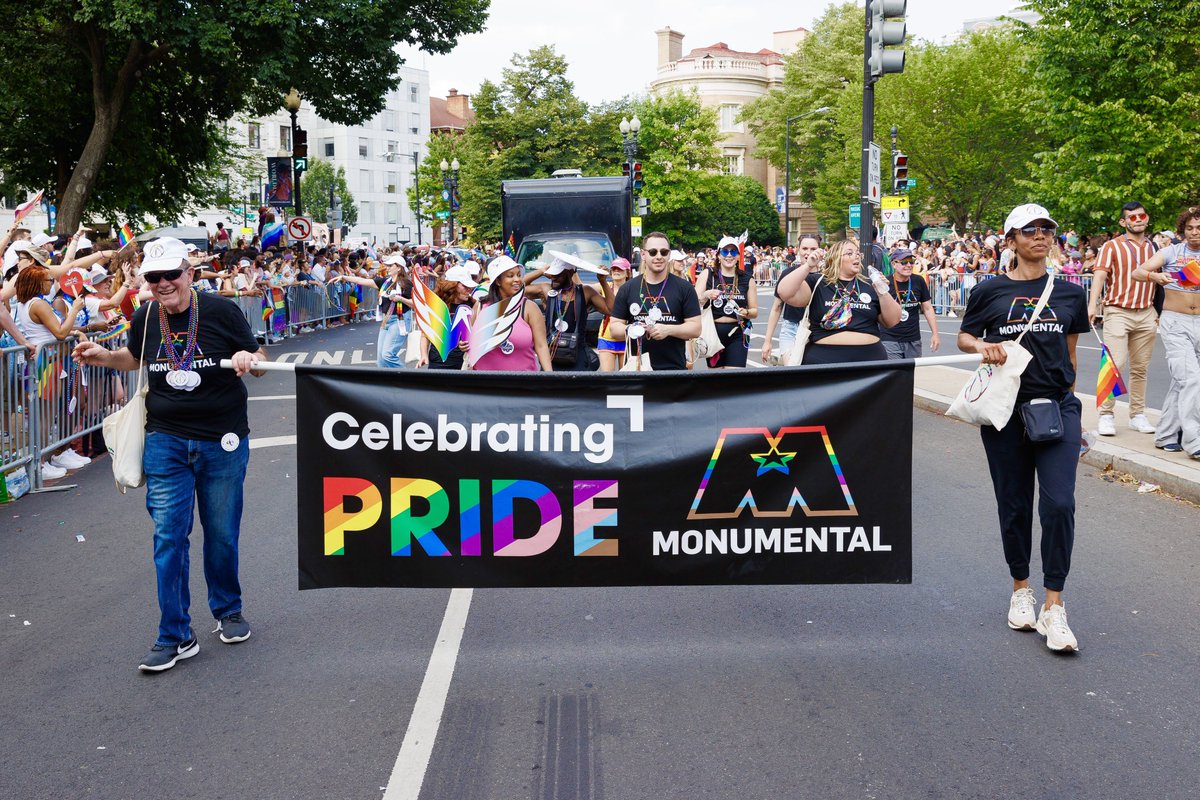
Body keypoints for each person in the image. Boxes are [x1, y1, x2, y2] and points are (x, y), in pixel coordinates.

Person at [72, 237, 268, 673]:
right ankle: (175, 634)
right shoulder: (145, 317)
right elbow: (136, 358)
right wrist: (104, 355)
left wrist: (246, 357)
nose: (162, 284)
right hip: (165, 439)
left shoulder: (220, 311)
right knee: (168, 538)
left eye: (170, 275)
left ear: (189, 274)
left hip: (222, 439)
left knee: (220, 533)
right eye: (153, 277)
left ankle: (228, 610)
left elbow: (258, 356)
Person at [957, 204, 1089, 653]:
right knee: (1014, 505)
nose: (1040, 235)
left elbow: (1070, 356)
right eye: (1029, 229)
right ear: (1010, 239)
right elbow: (965, 336)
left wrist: (1072, 408)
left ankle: (1055, 606)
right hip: (1005, 412)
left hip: (1056, 410)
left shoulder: (1071, 292)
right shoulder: (989, 289)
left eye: (1047, 229)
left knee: (1059, 504)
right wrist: (983, 345)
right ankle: (1021, 589)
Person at [1132, 206, 1200, 459]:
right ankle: (1194, 441)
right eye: (1189, 228)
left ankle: (1166, 434)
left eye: (1199, 228)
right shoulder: (1171, 251)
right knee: (1192, 380)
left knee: (1182, 382)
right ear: (1182, 230)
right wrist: (1155, 276)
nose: (1194, 233)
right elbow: (1137, 273)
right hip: (1176, 323)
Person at [1088, 202, 1159, 437]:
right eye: (1132, 217)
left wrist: (1159, 312)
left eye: (1142, 215)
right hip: (1118, 311)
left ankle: (1137, 414)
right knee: (1114, 364)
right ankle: (1106, 415)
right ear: (1124, 222)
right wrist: (1092, 304)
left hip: (1146, 312)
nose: (1138, 219)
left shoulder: (1155, 247)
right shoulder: (1111, 246)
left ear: (1146, 219)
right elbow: (1099, 276)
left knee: (1140, 368)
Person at [775, 239, 901, 365]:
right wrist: (808, 266)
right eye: (849, 253)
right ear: (835, 258)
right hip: (824, 360)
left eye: (858, 254)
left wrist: (883, 291)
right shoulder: (818, 282)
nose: (856, 256)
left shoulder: (869, 284)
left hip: (870, 359)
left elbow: (893, 320)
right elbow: (784, 292)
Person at [607, 233, 701, 370]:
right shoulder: (628, 288)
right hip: (636, 369)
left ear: (669, 255)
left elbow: (696, 328)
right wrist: (633, 329)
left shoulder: (684, 288)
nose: (659, 256)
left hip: (673, 370)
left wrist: (668, 329)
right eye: (653, 252)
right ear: (644, 255)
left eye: (664, 252)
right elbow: (614, 328)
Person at [522, 252, 614, 371]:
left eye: (558, 275)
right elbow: (518, 288)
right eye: (552, 275)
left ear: (570, 273)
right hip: (552, 355)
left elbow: (611, 310)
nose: (553, 278)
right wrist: (541, 271)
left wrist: (603, 281)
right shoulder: (546, 290)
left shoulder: (585, 292)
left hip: (577, 355)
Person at [470, 256, 552, 371]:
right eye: (510, 276)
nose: (517, 279)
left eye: (519, 275)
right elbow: (470, 341)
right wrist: (464, 344)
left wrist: (550, 376)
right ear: (498, 281)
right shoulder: (480, 307)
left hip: (523, 384)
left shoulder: (529, 308)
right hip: (486, 383)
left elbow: (541, 345)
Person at [696, 235, 757, 368]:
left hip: (738, 332)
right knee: (716, 380)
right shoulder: (709, 274)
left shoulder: (747, 278)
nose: (729, 255)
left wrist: (746, 312)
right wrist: (706, 294)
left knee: (735, 379)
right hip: (713, 332)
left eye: (733, 252)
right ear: (718, 255)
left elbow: (755, 311)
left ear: (738, 256)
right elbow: (693, 303)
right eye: (725, 251)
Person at [762, 235, 821, 365]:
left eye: (813, 248)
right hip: (791, 329)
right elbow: (776, 307)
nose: (808, 252)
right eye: (805, 248)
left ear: (820, 250)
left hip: (818, 330)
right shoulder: (788, 273)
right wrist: (767, 341)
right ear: (798, 250)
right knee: (793, 368)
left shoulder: (826, 276)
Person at [880, 248, 939, 359]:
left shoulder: (918, 281)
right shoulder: (885, 283)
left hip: (913, 338)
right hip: (890, 338)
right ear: (894, 264)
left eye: (911, 262)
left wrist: (935, 334)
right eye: (903, 262)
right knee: (895, 372)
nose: (908, 265)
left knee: (909, 374)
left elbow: (927, 308)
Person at [416, 265, 477, 370]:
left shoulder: (473, 305)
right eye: (465, 286)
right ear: (452, 285)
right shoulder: (436, 304)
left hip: (463, 364)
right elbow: (425, 335)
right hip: (437, 363)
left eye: (470, 287)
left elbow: (475, 333)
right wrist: (424, 355)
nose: (469, 290)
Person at [596, 258, 631, 371]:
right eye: (614, 268)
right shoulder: (605, 286)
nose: (616, 271)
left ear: (628, 272)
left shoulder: (633, 288)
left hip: (626, 338)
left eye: (620, 269)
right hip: (606, 337)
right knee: (607, 378)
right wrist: (575, 269)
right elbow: (581, 287)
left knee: (626, 378)